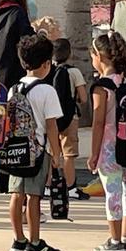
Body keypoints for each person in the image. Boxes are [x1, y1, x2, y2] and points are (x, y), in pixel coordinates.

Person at [7, 33, 64, 251]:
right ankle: (35, 242)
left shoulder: (14, 89)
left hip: (15, 149)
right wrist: (56, 154)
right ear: (46, 63)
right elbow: (52, 126)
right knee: (34, 196)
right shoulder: (47, 91)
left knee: (16, 194)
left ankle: (18, 239)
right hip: (38, 150)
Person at [88, 33, 126, 251]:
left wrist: (93, 153)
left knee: (112, 191)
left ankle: (115, 240)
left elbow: (98, 122)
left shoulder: (102, 87)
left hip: (109, 147)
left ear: (99, 56)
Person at [52, 38, 88, 200]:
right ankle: (71, 187)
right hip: (69, 118)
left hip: (51, 118)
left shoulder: (49, 70)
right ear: (70, 53)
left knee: (52, 152)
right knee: (69, 154)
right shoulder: (74, 72)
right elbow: (83, 98)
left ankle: (49, 186)